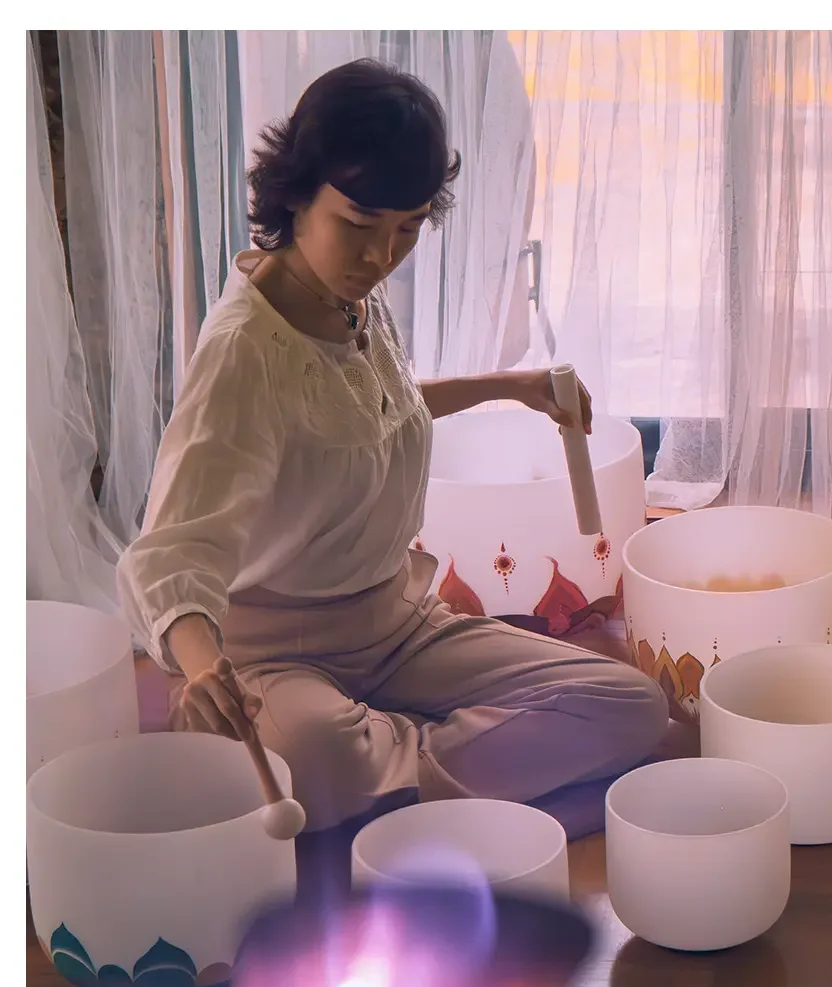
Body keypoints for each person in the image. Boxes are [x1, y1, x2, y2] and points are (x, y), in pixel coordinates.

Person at [116, 58, 668, 842]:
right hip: (276, 650)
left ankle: (383, 781)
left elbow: (377, 413)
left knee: (628, 703)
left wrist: (515, 388)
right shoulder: (246, 352)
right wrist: (205, 670)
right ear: (297, 193)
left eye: (407, 228)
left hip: (398, 622)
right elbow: (168, 552)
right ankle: (405, 772)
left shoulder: (346, 299)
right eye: (360, 224)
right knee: (318, 753)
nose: (382, 255)